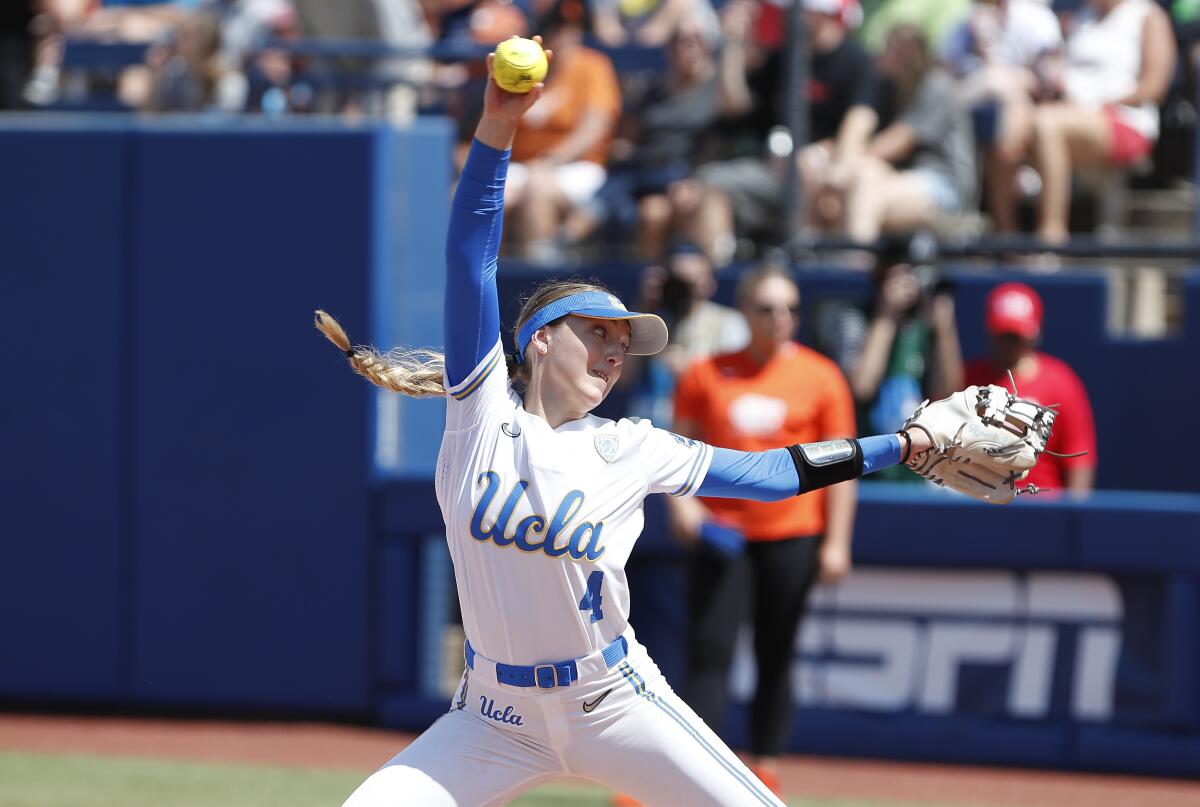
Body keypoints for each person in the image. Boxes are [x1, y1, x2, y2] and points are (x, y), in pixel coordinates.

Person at [321, 37, 934, 807]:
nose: (615, 353)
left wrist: (903, 443)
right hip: (492, 716)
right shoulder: (479, 414)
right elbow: (470, 256)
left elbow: (772, 473)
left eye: (624, 343)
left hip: (612, 698)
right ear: (539, 339)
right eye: (598, 333)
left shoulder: (633, 446)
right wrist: (497, 125)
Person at [668, 265, 857, 797]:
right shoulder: (706, 372)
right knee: (710, 653)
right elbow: (676, 450)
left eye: (791, 308)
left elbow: (843, 469)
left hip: (791, 534)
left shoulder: (822, 377)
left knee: (776, 655)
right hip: (722, 535)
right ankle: (691, 771)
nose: (782, 318)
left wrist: (837, 542)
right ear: (745, 312)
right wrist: (682, 508)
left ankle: (764, 773)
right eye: (769, 308)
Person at [989, 0, 1176, 241]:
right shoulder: (1080, 17)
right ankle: (1006, 237)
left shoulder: (1149, 16)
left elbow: (1154, 88)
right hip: (1068, 111)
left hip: (1124, 120)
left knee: (1047, 124)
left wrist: (1097, 103)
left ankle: (1051, 238)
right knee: (1008, 122)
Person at [816, 245, 964, 480]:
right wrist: (886, 315)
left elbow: (948, 393)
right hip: (867, 468)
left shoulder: (924, 329)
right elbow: (862, 386)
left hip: (915, 473)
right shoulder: (857, 319)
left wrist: (944, 329)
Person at [835, 24, 977, 243]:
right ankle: (818, 260)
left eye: (888, 49)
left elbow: (899, 142)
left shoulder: (937, 85)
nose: (881, 55)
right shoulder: (890, 86)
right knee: (859, 176)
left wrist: (848, 164)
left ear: (908, 51)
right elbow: (861, 119)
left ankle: (855, 268)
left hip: (946, 187)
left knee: (867, 189)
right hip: (902, 179)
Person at [505, 0, 621, 264]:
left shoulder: (593, 66)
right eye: (557, 27)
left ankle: (539, 280)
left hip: (577, 168)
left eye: (572, 27)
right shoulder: (525, 69)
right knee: (472, 194)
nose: (565, 34)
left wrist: (551, 160)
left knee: (537, 190)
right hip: (523, 165)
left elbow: (594, 127)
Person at [964, 282, 1096, 494]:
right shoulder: (969, 380)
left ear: (1034, 334)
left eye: (1016, 336)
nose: (1009, 344)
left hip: (1042, 507)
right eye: (1003, 335)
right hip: (981, 502)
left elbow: (1079, 457)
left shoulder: (1060, 381)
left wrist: (1074, 518)